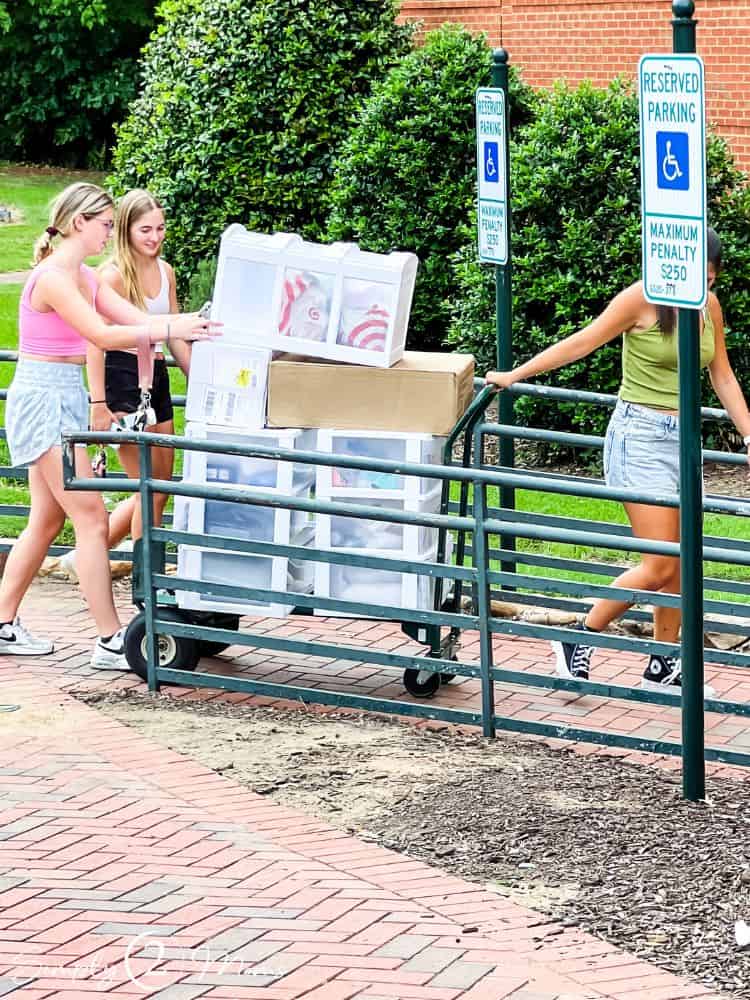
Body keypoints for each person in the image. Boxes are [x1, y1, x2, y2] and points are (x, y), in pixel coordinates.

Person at [485, 228, 750, 694]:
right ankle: (580, 636)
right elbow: (581, 343)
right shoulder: (638, 300)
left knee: (684, 561)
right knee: (662, 564)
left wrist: (749, 434)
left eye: (711, 281)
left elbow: (722, 374)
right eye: (698, 279)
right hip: (640, 438)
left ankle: (664, 664)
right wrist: (514, 375)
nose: (705, 289)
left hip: (682, 441)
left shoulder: (708, 308)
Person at [0, 182, 220, 669]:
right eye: (104, 224)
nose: (109, 233)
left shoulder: (79, 273)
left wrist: (188, 323)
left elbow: (128, 316)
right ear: (79, 223)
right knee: (92, 518)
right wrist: (170, 328)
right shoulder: (55, 276)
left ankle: (3, 623)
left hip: (59, 396)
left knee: (48, 518)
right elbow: (101, 333)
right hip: (43, 402)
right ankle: (108, 641)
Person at [85, 189, 189, 550]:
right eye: (146, 229)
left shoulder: (166, 271)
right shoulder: (111, 276)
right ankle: (146, 582)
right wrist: (98, 403)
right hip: (122, 376)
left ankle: (86, 559)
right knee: (145, 487)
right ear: (126, 229)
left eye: (160, 228)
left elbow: (174, 333)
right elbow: (95, 341)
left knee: (161, 486)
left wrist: (201, 381)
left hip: (156, 375)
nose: (155, 237)